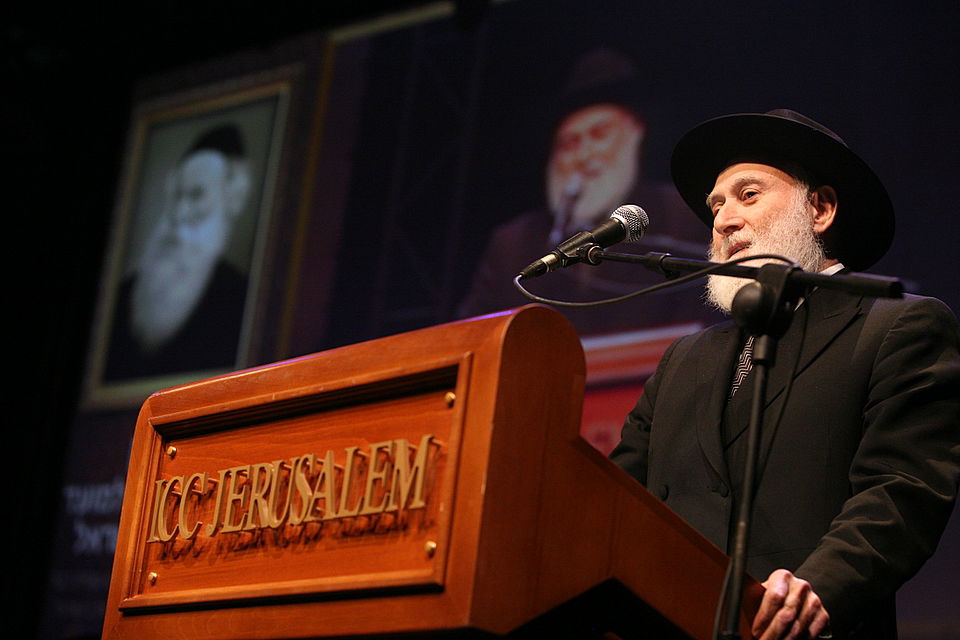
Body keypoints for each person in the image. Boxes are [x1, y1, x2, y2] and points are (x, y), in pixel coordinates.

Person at [609, 109, 960, 639]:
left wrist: (821, 586)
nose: (723, 221)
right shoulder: (683, 358)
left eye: (748, 195)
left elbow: (903, 489)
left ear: (820, 209)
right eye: (716, 206)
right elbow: (617, 499)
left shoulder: (899, 326)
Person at [458, 47, 720, 336]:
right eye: (569, 143)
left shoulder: (684, 217)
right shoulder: (513, 244)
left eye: (599, 134)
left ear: (635, 135)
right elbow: (472, 336)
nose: (582, 156)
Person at [104, 123, 253, 381]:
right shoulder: (123, 296)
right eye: (177, 195)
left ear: (228, 201)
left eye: (196, 196)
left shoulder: (240, 298)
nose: (179, 213)